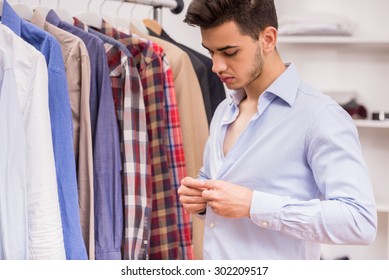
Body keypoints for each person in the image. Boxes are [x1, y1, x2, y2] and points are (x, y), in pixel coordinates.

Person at [177, 0, 377, 260]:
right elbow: (222, 188)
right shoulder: (224, 111)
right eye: (211, 52)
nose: (216, 66)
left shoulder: (320, 116)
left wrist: (254, 205)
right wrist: (201, 200)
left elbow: (359, 222)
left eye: (229, 52)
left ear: (268, 39)